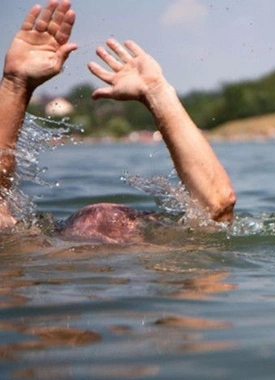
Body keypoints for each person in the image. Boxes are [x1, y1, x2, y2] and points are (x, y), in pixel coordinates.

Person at [0, 0, 236, 243]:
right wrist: (158, 92)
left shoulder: (38, 250)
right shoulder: (166, 258)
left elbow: (220, 206)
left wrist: (15, 84)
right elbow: (217, 207)